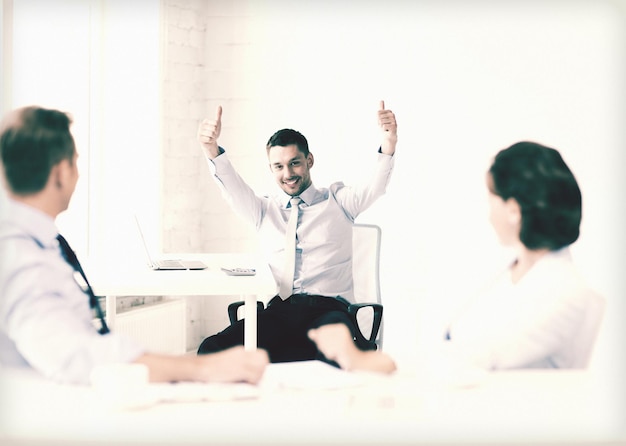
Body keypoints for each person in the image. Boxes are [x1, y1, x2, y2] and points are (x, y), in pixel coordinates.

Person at [0, 106, 268, 385]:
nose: (78, 176)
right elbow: (73, 355)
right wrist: (202, 369)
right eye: (76, 163)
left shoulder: (34, 242)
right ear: (60, 172)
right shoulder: (20, 257)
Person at [311, 141, 596, 373]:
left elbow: (476, 358)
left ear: (513, 210)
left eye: (491, 199)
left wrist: (363, 360)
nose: (488, 212)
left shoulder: (565, 293)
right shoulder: (510, 271)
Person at [195, 101, 397, 370]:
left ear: (309, 160)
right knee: (212, 350)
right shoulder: (263, 211)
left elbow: (376, 185)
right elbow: (232, 188)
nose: (288, 174)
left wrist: (388, 142)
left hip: (329, 312)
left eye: (295, 163)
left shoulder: (339, 202)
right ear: (271, 169)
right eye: (278, 166)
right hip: (279, 312)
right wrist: (212, 151)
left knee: (337, 358)